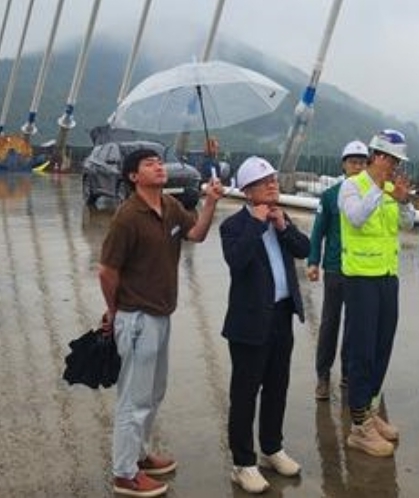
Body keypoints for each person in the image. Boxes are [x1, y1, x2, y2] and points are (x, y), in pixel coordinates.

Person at [99, 148, 224, 497]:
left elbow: (195, 234)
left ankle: (138, 455)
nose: (158, 166)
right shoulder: (127, 217)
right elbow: (107, 270)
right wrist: (115, 311)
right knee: (133, 398)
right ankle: (124, 473)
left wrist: (210, 203)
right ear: (133, 176)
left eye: (158, 161)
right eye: (149, 163)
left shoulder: (169, 206)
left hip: (161, 313)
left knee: (153, 393)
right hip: (137, 317)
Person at [220, 156, 310, 493]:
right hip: (249, 322)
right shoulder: (234, 226)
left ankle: (272, 448)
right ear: (247, 191)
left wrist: (282, 226)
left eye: (273, 179)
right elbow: (237, 261)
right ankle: (243, 463)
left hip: (282, 315)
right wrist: (257, 224)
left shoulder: (280, 217)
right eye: (264, 182)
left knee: (277, 385)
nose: (273, 185)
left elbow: (304, 248)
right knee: (245, 393)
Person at [338, 129, 415, 457]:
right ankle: (359, 427)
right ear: (379, 156)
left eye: (398, 161)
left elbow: (406, 225)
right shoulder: (352, 186)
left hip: (387, 277)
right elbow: (356, 218)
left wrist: (404, 200)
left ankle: (369, 412)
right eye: (392, 160)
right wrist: (377, 187)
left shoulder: (390, 189)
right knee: (362, 352)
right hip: (360, 280)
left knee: (382, 347)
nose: (395, 166)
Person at [307, 140, 368, 401]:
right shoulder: (331, 195)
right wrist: (313, 261)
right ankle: (323, 376)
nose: (358, 167)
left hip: (361, 270)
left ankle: (347, 374)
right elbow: (318, 231)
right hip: (335, 268)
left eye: (363, 162)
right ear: (344, 164)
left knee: (355, 325)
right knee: (330, 323)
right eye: (353, 162)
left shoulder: (371, 194)